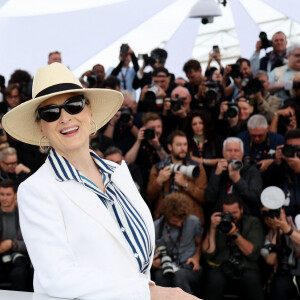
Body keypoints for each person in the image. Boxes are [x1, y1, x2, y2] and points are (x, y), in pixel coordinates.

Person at [2, 63, 200, 300]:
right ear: (41, 127)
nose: (65, 117)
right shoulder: (36, 190)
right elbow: (58, 277)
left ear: (90, 112)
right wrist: (153, 293)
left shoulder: (118, 174)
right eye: (51, 112)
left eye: (74, 106)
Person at [202, 193, 265, 300]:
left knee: (252, 281)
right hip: (221, 266)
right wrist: (212, 229)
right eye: (227, 213)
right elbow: (208, 254)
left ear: (242, 209)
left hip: (246, 266)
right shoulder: (218, 223)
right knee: (213, 281)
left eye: (234, 213)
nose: (231, 217)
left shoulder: (253, 223)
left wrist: (235, 234)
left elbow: (252, 253)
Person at [146, 130, 207, 225]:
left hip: (190, 219)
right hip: (164, 220)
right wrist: (159, 181)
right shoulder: (158, 168)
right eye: (179, 145)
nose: (183, 148)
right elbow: (149, 197)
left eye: (185, 144)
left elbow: (204, 197)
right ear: (170, 147)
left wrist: (186, 185)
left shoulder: (197, 167)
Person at [152, 193, 203, 295]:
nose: (179, 224)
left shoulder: (194, 222)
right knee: (160, 278)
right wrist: (154, 262)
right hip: (165, 267)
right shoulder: (156, 227)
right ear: (167, 215)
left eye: (182, 220)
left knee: (180, 276)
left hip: (188, 266)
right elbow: (152, 253)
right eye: (175, 221)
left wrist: (196, 257)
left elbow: (199, 245)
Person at [205, 137, 263, 217]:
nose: (232, 154)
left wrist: (238, 180)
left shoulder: (251, 171)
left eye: (236, 151)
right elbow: (209, 199)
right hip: (220, 216)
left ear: (242, 153)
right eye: (229, 150)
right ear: (223, 153)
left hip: (244, 218)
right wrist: (217, 175)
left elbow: (255, 199)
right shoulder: (217, 169)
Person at [0, 179, 30, 291]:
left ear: (15, 195)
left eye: (8, 194)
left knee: (19, 273)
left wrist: (13, 244)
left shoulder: (24, 215)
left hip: (19, 258)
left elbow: (32, 244)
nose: (4, 198)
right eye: (1, 194)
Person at [185, 110, 223, 176]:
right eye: (194, 124)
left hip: (214, 176)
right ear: (190, 127)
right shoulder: (187, 141)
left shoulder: (216, 139)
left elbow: (222, 160)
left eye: (201, 123)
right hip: (194, 177)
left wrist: (202, 161)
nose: (198, 126)